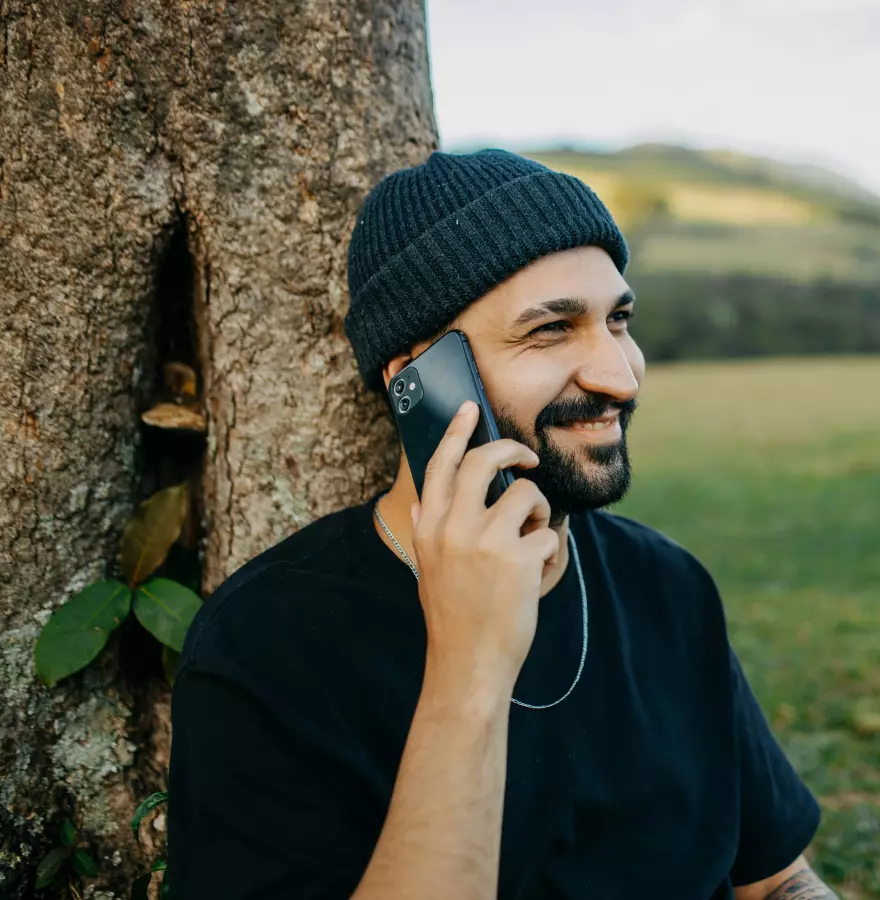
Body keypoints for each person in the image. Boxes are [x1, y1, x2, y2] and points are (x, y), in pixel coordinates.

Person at [167, 149, 834, 900]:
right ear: (413, 376)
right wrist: (472, 665)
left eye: (618, 320)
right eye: (551, 330)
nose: (619, 374)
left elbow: (778, 882)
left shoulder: (667, 585)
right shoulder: (268, 645)